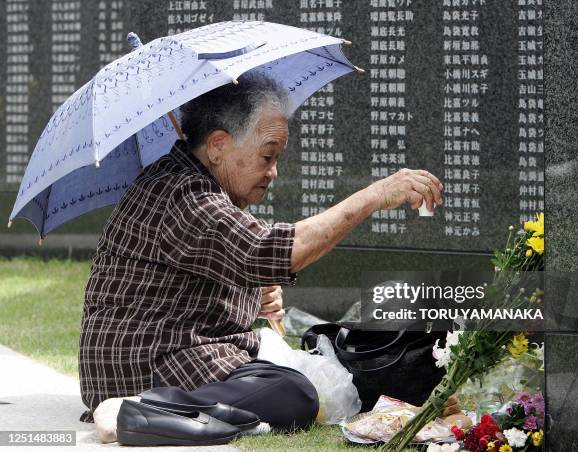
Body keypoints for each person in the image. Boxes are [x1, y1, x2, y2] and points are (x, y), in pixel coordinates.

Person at [78, 73, 444, 431]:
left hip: (169, 354)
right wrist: (374, 196)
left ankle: (156, 406)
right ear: (218, 145)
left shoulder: (195, 185)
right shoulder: (183, 194)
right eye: (267, 156)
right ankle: (143, 407)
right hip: (149, 365)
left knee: (312, 378)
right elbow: (266, 251)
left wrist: (254, 295)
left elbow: (213, 273)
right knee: (294, 392)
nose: (273, 172)